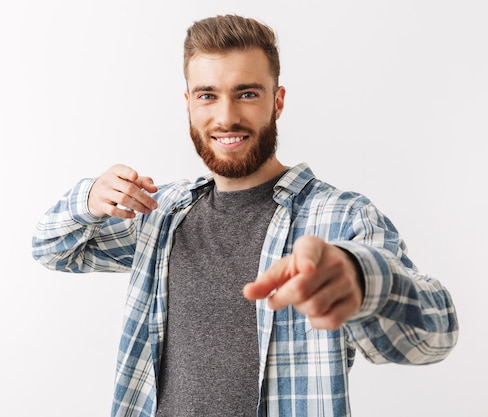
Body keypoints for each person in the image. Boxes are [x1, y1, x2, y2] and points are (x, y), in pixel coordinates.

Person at [32, 14, 459, 417]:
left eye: (247, 93)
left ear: (278, 100)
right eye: (207, 96)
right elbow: (53, 249)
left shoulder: (342, 218)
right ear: (188, 104)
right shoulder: (159, 214)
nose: (226, 117)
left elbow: (435, 335)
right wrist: (88, 198)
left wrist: (364, 278)